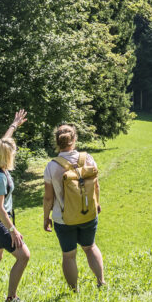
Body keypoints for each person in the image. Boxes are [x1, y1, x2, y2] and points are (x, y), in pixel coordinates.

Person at [42, 123, 105, 291]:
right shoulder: (88, 158)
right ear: (74, 139)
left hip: (63, 219)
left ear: (56, 142)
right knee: (90, 247)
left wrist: (46, 218)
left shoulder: (51, 166)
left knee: (69, 255)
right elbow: (96, 186)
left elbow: (48, 198)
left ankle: (74, 290)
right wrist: (96, 204)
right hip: (88, 213)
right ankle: (101, 282)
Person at [0, 109, 30, 302]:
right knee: (24, 256)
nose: (15, 153)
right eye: (13, 152)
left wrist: (14, 125)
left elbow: (3, 142)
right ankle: (11, 297)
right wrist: (13, 231)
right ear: (7, 155)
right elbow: (0, 208)